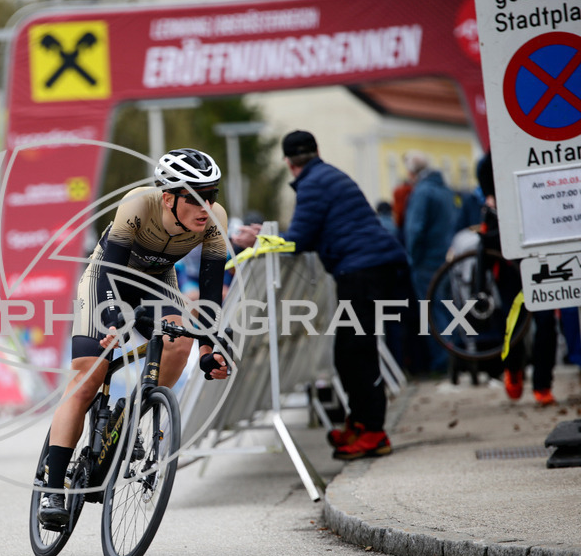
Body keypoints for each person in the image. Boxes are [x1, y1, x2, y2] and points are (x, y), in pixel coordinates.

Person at [37, 148, 232, 527]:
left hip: (157, 283)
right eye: (194, 197)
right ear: (168, 197)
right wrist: (111, 321)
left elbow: (210, 295)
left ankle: (132, 419)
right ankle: (54, 483)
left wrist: (210, 348)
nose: (205, 207)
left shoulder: (214, 222)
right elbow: (110, 271)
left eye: (211, 196)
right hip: (106, 279)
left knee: (181, 341)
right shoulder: (137, 205)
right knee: (89, 374)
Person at [274, 130, 409, 460]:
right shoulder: (328, 175)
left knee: (357, 352)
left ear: (289, 163)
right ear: (317, 151)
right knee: (350, 351)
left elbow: (298, 240)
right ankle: (360, 423)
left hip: (363, 270)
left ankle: (373, 432)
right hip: (369, 267)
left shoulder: (312, 183)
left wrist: (258, 240)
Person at [475, 152, 557, 406]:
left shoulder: (539, 153)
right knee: (514, 319)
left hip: (541, 248)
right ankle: (514, 369)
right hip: (506, 254)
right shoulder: (491, 160)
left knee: (545, 321)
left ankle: (543, 383)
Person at [403, 150, 459, 374]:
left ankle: (443, 361)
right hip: (446, 259)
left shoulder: (422, 193)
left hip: (426, 262)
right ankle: (456, 354)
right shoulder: (445, 191)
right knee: (447, 308)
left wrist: (412, 258)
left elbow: (414, 230)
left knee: (432, 312)